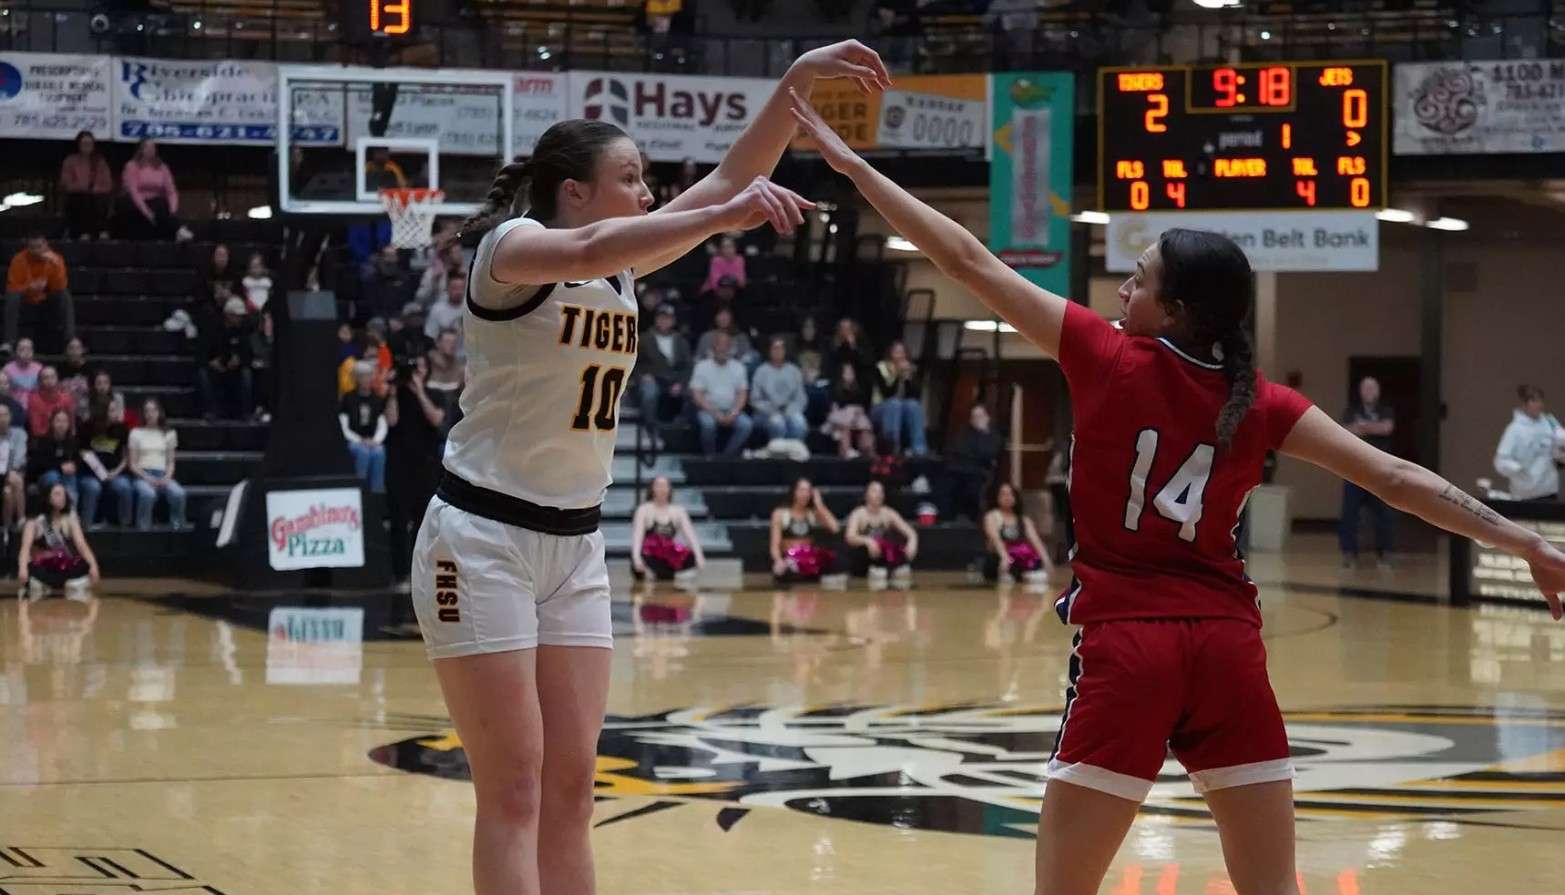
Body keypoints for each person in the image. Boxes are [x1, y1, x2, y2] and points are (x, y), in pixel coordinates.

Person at [792, 92, 1565, 895]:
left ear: (1176, 310)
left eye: (1136, 279)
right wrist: (1528, 542)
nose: (1121, 291)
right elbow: (1396, 479)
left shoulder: (1103, 353)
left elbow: (965, 260)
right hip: (1227, 649)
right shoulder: (1260, 401)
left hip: (1127, 647)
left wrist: (852, 167)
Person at [407, 41, 887, 895]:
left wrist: (794, 80)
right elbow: (603, 241)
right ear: (575, 191)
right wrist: (716, 217)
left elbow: (725, 180)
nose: (649, 192)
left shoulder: (621, 260)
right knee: (512, 785)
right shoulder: (510, 249)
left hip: (576, 546)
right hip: (481, 538)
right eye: (632, 177)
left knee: (571, 790)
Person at [385, 356, 447, 586]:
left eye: (420, 368)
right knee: (398, 521)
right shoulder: (396, 395)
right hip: (398, 463)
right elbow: (391, 421)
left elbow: (436, 419)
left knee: (424, 521)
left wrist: (420, 391)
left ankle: (422, 573)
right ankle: (401, 574)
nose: (415, 373)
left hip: (425, 464)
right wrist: (392, 392)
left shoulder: (434, 394)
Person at [1339, 376, 1396, 568]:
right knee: (1350, 513)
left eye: (1373, 388)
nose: (1369, 391)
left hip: (1379, 472)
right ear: (1360, 391)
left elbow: (1387, 428)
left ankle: (1385, 553)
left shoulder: (1385, 410)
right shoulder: (1351, 410)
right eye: (1366, 388)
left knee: (1384, 514)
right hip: (1354, 470)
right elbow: (1344, 431)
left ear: (1378, 391)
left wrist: (1362, 426)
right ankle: (1348, 554)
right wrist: (1371, 427)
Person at [18, 482, 99, 600]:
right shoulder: (35, 522)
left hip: (63, 568)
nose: (62, 497)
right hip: (44, 569)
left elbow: (82, 545)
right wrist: (22, 569)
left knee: (84, 565)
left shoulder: (70, 520)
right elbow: (25, 548)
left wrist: (93, 565)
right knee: (32, 568)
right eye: (57, 494)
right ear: (47, 498)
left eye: (63, 494)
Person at [5, 236, 77, 352]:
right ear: (27, 248)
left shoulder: (56, 259)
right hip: (26, 298)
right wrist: (29, 287)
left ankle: (71, 341)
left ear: (46, 245)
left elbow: (60, 286)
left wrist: (56, 264)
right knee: (12, 296)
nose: (37, 251)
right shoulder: (19, 259)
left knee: (64, 295)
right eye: (32, 248)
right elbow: (13, 287)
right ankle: (8, 342)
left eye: (39, 247)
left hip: (46, 298)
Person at [629, 475, 706, 583]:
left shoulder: (678, 511)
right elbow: (637, 537)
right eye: (658, 486)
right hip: (650, 555)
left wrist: (699, 556)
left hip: (669, 557)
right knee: (637, 560)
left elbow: (690, 536)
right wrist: (636, 558)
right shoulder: (643, 510)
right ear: (652, 489)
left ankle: (671, 574)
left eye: (665, 486)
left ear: (670, 489)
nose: (662, 489)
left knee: (691, 558)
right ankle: (653, 573)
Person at [689, 331, 755, 457]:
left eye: (726, 346)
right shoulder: (702, 367)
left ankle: (726, 456)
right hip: (708, 409)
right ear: (713, 348)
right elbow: (697, 395)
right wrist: (714, 412)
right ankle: (710, 456)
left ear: (731, 349)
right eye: (719, 345)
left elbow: (742, 394)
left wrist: (734, 412)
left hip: (731, 409)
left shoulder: (738, 367)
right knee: (708, 424)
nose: (723, 349)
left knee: (746, 425)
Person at [844, 479, 918, 587]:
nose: (878, 495)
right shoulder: (858, 513)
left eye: (881, 492)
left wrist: (913, 542)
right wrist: (867, 541)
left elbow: (910, 532)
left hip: (882, 558)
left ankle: (893, 570)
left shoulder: (888, 513)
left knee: (894, 543)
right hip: (864, 559)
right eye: (874, 491)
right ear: (866, 495)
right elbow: (849, 537)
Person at [769, 477, 844, 584]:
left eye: (808, 491)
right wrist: (778, 561)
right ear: (794, 492)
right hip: (790, 560)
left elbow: (835, 528)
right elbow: (774, 545)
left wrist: (820, 505)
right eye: (801, 490)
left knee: (834, 559)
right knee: (781, 571)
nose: (805, 494)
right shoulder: (780, 513)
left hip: (809, 560)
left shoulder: (812, 513)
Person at [1494, 384, 1562, 502]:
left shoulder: (1549, 423)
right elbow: (1501, 461)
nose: (1538, 405)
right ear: (1525, 404)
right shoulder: (1514, 429)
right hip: (1524, 493)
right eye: (1534, 401)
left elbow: (1558, 448)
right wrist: (1518, 469)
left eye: (1540, 401)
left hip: (1548, 490)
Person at [128, 398, 185, 530]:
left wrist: (167, 477)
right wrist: (148, 478)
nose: (150, 414)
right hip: (142, 474)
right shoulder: (136, 433)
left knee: (178, 493)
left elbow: (170, 462)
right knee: (148, 494)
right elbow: (133, 464)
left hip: (162, 473)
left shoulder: (169, 433)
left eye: (153, 410)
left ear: (159, 412)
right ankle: (144, 528)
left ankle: (177, 526)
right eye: (147, 411)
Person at [981, 481, 1052, 584]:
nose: (1007, 497)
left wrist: (1046, 559)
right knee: (1005, 577)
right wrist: (1004, 557)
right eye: (1003, 494)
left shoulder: (1024, 520)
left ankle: (1024, 576)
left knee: (1040, 576)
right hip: (999, 559)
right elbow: (996, 539)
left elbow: (1035, 540)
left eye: (1010, 494)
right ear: (997, 497)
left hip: (1020, 561)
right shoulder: (992, 517)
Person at [78, 397, 133, 528]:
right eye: (112, 410)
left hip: (114, 472)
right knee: (93, 488)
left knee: (124, 486)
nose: (115, 413)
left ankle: (126, 526)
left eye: (116, 410)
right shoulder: (87, 427)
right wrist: (101, 473)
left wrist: (116, 472)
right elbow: (83, 453)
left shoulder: (122, 429)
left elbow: (126, 457)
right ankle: (86, 526)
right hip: (89, 474)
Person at [118, 138, 186, 241]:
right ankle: (179, 229)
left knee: (163, 205)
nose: (151, 149)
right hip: (139, 202)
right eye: (147, 147)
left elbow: (171, 191)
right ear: (140, 149)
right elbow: (134, 192)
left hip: (157, 202)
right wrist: (147, 213)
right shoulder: (131, 166)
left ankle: (177, 230)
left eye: (153, 147)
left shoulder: (162, 167)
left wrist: (173, 210)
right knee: (155, 208)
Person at [198, 298, 255, 420]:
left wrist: (239, 359)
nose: (239, 319)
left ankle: (246, 412)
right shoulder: (212, 329)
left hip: (235, 371)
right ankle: (210, 411)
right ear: (228, 315)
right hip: (215, 370)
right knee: (203, 373)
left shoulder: (243, 331)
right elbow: (202, 353)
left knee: (247, 373)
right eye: (236, 316)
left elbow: (248, 354)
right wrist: (211, 362)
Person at [946, 403, 1003, 521]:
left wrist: (981, 434)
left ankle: (971, 520)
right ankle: (951, 520)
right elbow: (959, 449)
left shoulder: (994, 435)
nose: (977, 420)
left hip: (979, 471)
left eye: (980, 416)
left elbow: (988, 453)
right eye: (974, 417)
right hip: (959, 469)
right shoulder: (964, 431)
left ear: (987, 418)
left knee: (973, 489)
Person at [870, 340, 928, 456]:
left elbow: (914, 395)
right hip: (880, 408)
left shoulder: (911, 369)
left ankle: (919, 449)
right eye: (897, 352)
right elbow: (887, 393)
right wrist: (898, 376)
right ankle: (892, 448)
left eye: (902, 352)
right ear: (890, 354)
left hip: (902, 408)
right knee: (894, 404)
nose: (900, 356)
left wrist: (907, 379)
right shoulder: (881, 368)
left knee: (914, 405)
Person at [340, 361, 389, 494]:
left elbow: (382, 425)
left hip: (372, 440)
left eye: (369, 375)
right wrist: (359, 440)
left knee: (379, 452)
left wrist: (375, 441)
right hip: (353, 440)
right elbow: (344, 426)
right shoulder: (348, 398)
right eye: (362, 376)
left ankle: (377, 493)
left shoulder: (377, 399)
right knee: (363, 452)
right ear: (356, 378)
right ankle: (359, 492)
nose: (366, 379)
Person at [750, 336, 808, 442]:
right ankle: (778, 457)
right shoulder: (761, 371)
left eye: (780, 348)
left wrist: (789, 411)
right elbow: (755, 400)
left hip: (790, 410)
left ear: (785, 351)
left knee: (800, 424)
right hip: (766, 413)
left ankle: (792, 456)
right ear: (769, 351)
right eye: (774, 348)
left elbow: (801, 399)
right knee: (778, 423)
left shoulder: (794, 371)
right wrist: (772, 410)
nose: (777, 351)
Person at [59, 130, 113, 240]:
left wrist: (95, 189)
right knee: (83, 200)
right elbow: (66, 183)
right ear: (78, 145)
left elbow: (107, 183)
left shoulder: (100, 161)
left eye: (89, 144)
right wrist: (83, 188)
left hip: (97, 195)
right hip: (78, 195)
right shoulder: (70, 160)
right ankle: (83, 233)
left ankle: (102, 232)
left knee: (99, 200)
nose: (87, 146)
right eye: (84, 144)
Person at [30, 408, 80, 511]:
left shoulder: (72, 442)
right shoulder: (43, 441)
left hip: (66, 476)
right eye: (58, 421)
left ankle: (71, 513)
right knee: (53, 476)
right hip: (45, 476)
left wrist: (74, 466)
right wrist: (60, 467)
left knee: (71, 477)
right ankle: (53, 513)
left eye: (65, 421)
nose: (61, 424)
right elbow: (38, 465)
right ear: (52, 423)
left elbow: (77, 460)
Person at [822, 362, 874, 458]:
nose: (849, 375)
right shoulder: (834, 388)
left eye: (851, 372)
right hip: (839, 419)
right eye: (846, 372)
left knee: (864, 428)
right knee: (845, 427)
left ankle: (868, 452)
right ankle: (846, 451)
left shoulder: (858, 390)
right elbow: (834, 407)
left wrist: (855, 413)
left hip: (857, 418)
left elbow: (861, 406)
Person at [27, 367, 75, 439]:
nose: (50, 380)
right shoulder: (34, 399)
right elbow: (36, 429)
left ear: (57, 378)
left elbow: (71, 424)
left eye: (53, 377)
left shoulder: (67, 398)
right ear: (40, 381)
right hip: (43, 439)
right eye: (46, 378)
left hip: (65, 437)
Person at [0, 403, 27, 531]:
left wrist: (8, 472)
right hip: (3, 474)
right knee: (16, 479)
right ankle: (21, 518)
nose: (2, 418)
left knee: (8, 492)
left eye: (5, 415)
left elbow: (20, 457)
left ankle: (8, 525)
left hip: (13, 473)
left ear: (10, 417)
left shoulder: (20, 434)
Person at [424, 271, 466, 350]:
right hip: (443, 353)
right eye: (455, 288)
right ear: (447, 289)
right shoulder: (437, 310)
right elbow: (431, 336)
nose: (458, 292)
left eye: (461, 288)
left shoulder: (470, 309)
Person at [4, 339, 41, 406]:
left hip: (35, 408)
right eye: (22, 349)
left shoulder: (39, 368)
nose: (26, 353)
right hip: (14, 409)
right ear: (16, 351)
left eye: (29, 349)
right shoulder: (7, 369)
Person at [59, 338, 92, 413]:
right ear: (66, 350)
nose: (74, 351)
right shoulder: (60, 369)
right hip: (64, 412)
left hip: (84, 411)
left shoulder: (90, 369)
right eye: (71, 348)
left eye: (78, 348)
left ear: (83, 350)